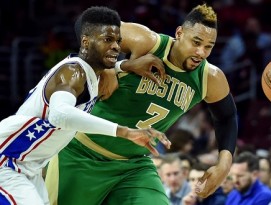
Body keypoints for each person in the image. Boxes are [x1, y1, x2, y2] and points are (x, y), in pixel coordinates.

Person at [45, 3, 238, 205]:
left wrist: (224, 163)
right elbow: (87, 24)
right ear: (179, 33)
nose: (201, 52)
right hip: (81, 153)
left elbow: (227, 116)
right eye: (196, 42)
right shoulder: (147, 42)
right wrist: (108, 66)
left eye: (209, 46)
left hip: (133, 166)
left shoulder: (210, 78)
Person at [0, 6, 170, 205]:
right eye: (108, 40)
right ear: (86, 41)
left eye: (118, 41)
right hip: (7, 161)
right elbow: (60, 115)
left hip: (29, 167)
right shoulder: (73, 72)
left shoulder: (91, 75)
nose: (116, 46)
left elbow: (101, 70)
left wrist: (126, 65)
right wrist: (124, 131)